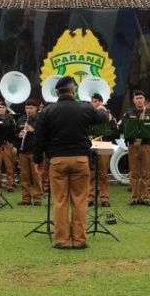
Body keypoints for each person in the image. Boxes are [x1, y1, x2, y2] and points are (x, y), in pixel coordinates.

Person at [33, 76, 108, 249]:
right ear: (73, 91)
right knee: (79, 201)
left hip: (57, 160)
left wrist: (38, 160)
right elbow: (101, 118)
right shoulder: (83, 107)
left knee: (60, 202)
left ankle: (61, 241)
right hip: (80, 159)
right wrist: (102, 109)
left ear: (57, 93)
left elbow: (39, 138)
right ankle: (80, 240)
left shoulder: (47, 111)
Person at [121, 91, 150, 205]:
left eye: (141, 98)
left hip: (146, 145)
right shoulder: (128, 113)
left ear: (144, 99)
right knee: (135, 172)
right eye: (137, 98)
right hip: (133, 145)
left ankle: (145, 197)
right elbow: (124, 128)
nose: (139, 100)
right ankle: (135, 197)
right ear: (133, 100)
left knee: (145, 172)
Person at [87, 93, 119, 208]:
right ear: (91, 102)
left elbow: (116, 131)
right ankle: (89, 197)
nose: (97, 103)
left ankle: (104, 198)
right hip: (89, 144)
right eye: (95, 101)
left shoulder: (109, 115)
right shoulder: (87, 114)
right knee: (89, 173)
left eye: (99, 101)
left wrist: (105, 133)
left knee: (104, 173)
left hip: (104, 143)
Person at [15, 99, 43, 206]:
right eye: (27, 108)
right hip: (23, 151)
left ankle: (37, 198)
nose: (28, 110)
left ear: (36, 108)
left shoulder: (40, 120)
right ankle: (26, 198)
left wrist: (33, 131)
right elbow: (14, 133)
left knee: (36, 176)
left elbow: (44, 135)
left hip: (34, 151)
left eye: (31, 108)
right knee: (24, 176)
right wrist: (19, 135)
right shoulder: (21, 119)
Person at [0, 101, 17, 192]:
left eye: (3, 108)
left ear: (6, 109)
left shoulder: (9, 118)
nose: (1, 109)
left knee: (9, 165)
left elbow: (13, 131)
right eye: (0, 107)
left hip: (7, 143)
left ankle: (10, 184)